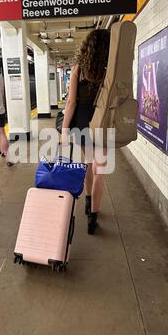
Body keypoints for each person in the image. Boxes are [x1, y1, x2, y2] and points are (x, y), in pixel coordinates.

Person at [61, 29, 111, 235]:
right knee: (101, 169)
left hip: (83, 121)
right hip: (104, 122)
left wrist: (64, 130)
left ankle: (88, 200)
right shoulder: (112, 69)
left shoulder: (78, 69)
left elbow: (71, 102)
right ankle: (93, 216)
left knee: (89, 162)